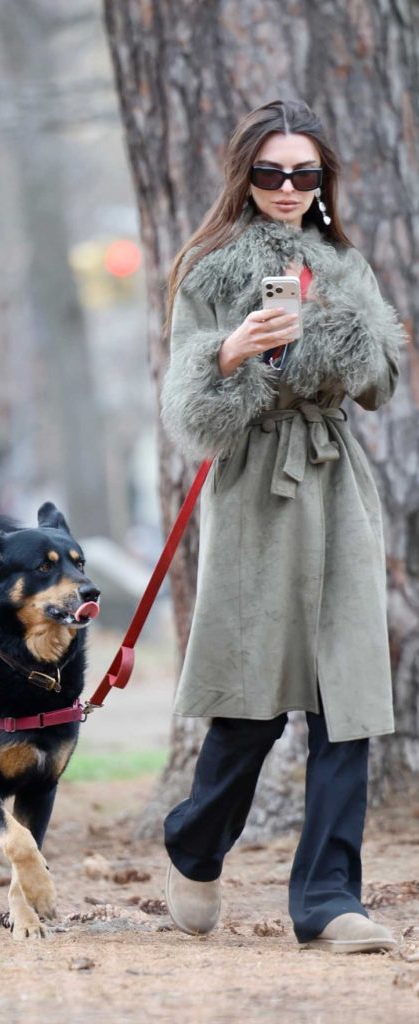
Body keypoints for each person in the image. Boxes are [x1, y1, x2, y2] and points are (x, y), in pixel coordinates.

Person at [161, 99, 405, 953]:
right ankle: (193, 843)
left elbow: (381, 380)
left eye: (305, 173)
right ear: (247, 176)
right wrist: (228, 355)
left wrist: (333, 324)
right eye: (271, 172)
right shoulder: (209, 269)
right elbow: (187, 406)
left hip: (337, 488)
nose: (289, 188)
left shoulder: (347, 265)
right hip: (255, 491)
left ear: (322, 180)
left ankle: (329, 901)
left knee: (349, 700)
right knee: (253, 705)